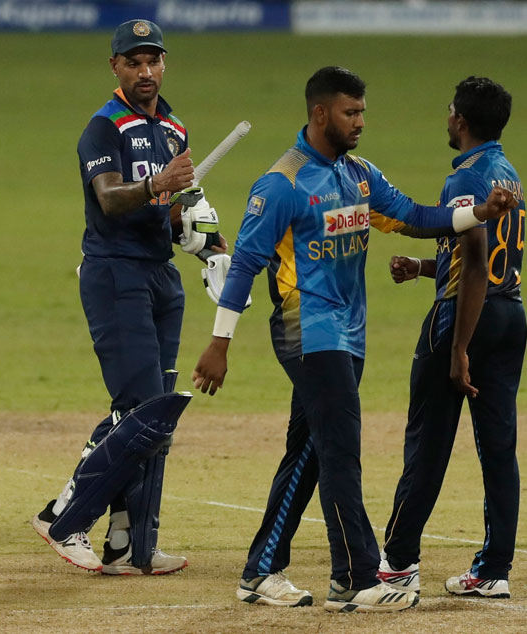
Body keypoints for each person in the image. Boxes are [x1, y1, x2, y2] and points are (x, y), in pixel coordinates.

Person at [190, 66, 518, 611]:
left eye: (363, 111)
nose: (361, 121)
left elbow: (417, 218)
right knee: (341, 450)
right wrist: (219, 343)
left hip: (349, 334)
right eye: (351, 112)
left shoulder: (360, 175)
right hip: (307, 329)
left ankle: (261, 570)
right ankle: (356, 578)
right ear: (320, 114)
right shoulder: (282, 184)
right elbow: (245, 263)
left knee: (310, 451)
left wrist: (480, 212)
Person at [30, 19, 224, 576]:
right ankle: (62, 516)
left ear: (165, 63)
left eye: (153, 60)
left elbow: (180, 211)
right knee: (138, 408)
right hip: (116, 274)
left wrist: (212, 247)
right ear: (114, 66)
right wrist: (159, 184)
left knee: (155, 414)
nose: (145, 71)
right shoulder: (103, 127)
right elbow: (111, 199)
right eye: (133, 62)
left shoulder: (174, 129)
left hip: (161, 276)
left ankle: (129, 542)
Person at [375, 77, 524, 599]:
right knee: (499, 448)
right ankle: (494, 570)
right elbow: (485, 257)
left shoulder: (465, 177)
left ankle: (398, 563)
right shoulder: (508, 173)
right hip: (510, 315)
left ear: (460, 119)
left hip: (463, 318)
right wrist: (422, 267)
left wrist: (458, 347)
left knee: (428, 443)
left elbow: (477, 262)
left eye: (449, 109)